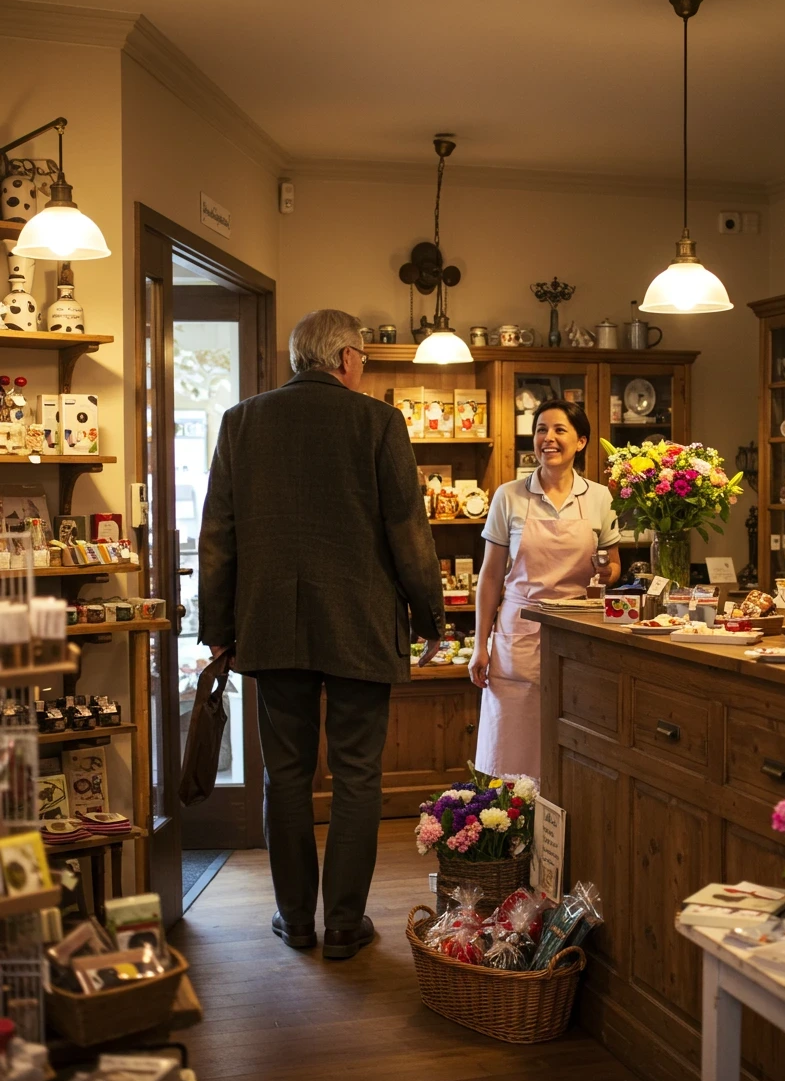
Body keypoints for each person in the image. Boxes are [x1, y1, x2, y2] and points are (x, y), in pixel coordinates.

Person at [198, 309, 444, 960]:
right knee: (359, 776)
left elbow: (217, 534)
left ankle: (294, 922)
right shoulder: (378, 422)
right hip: (361, 624)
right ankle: (342, 925)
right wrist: (430, 614)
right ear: (348, 361)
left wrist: (218, 627)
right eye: (362, 358)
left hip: (272, 625)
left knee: (285, 776)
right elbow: (408, 530)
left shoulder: (241, 421)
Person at [470, 398, 621, 776]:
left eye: (559, 430)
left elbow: (614, 564)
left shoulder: (599, 496)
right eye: (540, 430)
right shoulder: (509, 496)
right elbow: (490, 577)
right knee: (513, 747)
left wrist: (607, 574)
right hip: (517, 633)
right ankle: (510, 830)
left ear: (581, 441)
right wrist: (479, 645)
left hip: (578, 633)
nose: (547, 439)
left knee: (573, 741)